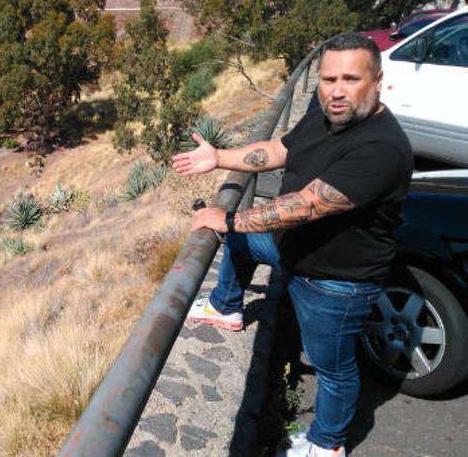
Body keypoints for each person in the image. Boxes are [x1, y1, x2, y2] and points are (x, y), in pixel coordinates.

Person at [171, 33, 413, 457]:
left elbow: (305, 206)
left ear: (377, 81)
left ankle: (327, 444)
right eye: (328, 79)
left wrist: (227, 218)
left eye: (350, 79)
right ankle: (226, 307)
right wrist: (219, 157)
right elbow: (278, 149)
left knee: (333, 368)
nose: (337, 90)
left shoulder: (383, 147)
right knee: (240, 244)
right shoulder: (325, 115)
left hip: (335, 281)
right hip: (292, 251)